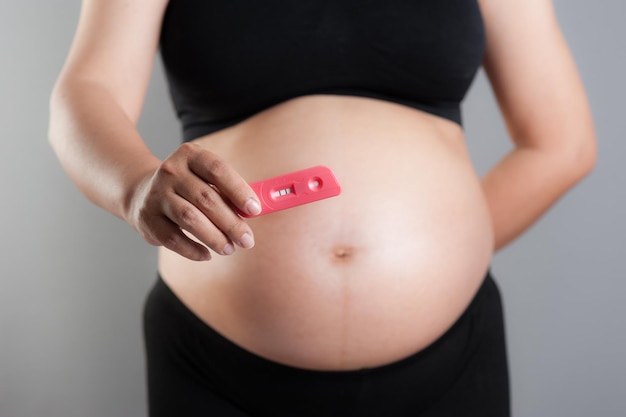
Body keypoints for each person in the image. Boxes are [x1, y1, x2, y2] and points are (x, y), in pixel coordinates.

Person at [48, 0, 596, 416]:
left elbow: (562, 144)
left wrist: (442, 249)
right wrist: (134, 185)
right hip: (214, 363)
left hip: (453, 361)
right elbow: (86, 90)